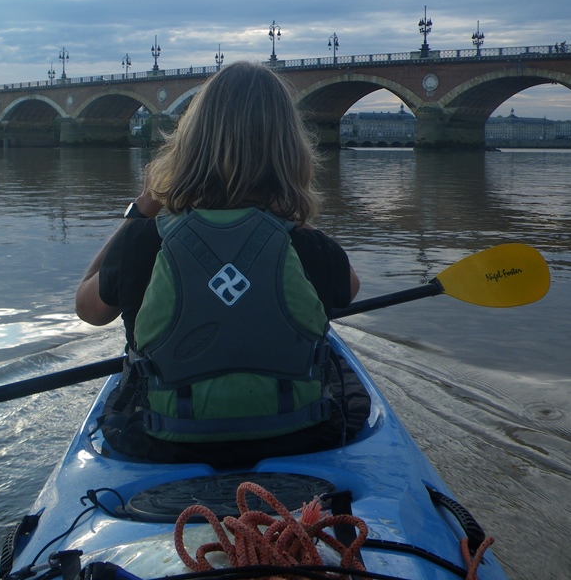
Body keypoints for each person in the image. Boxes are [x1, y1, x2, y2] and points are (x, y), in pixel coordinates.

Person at [75, 61, 366, 466]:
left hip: (163, 445)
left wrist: (139, 211)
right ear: (292, 152)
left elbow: (87, 309)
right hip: (300, 438)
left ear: (188, 145)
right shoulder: (309, 247)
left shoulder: (145, 240)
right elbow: (347, 292)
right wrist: (287, 212)